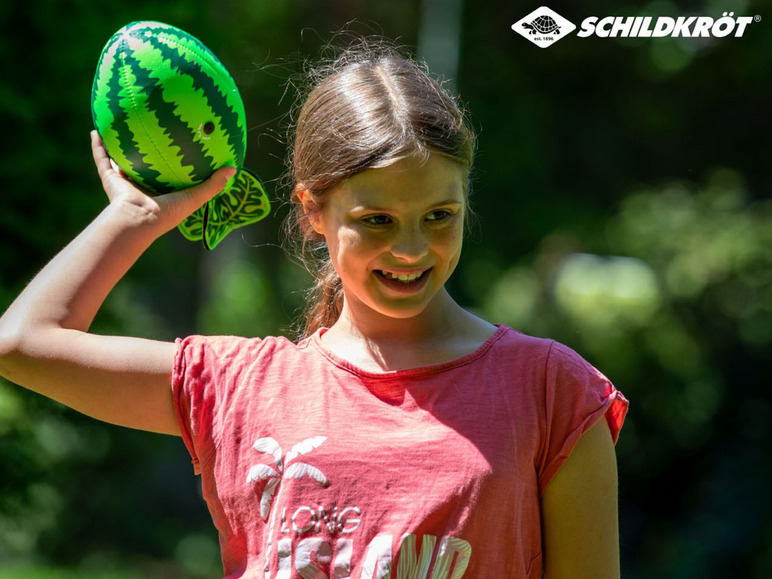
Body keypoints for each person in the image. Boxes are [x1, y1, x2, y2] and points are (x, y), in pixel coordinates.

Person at [0, 36, 628, 578]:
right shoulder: (240, 387)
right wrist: (134, 217)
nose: (411, 249)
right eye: (375, 220)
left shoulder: (552, 392)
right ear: (312, 212)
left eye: (440, 216)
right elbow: (22, 343)